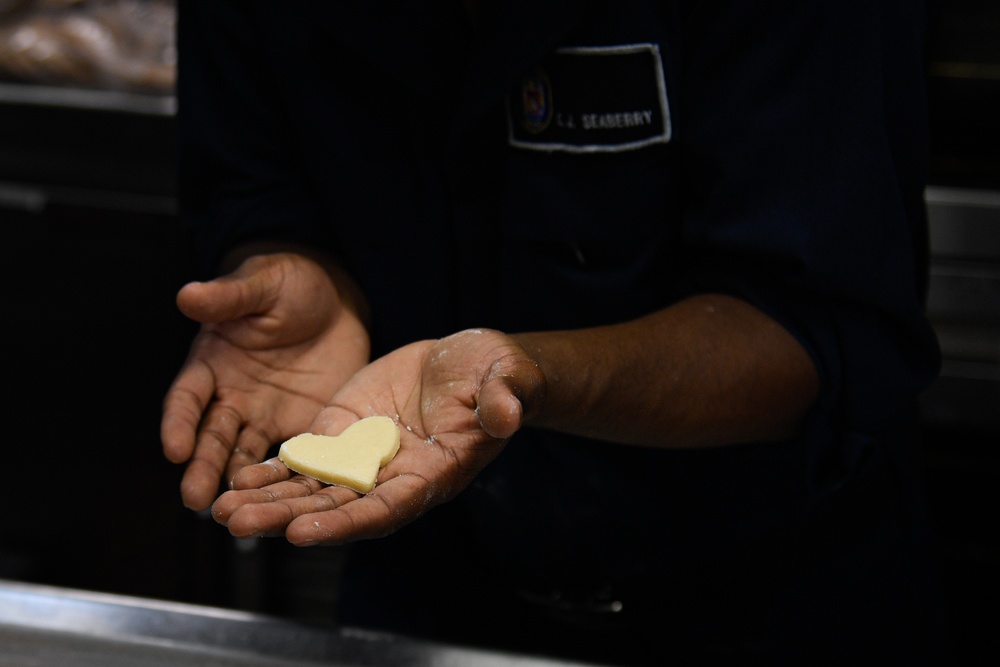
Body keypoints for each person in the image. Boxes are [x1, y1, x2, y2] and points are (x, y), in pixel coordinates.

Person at [162, 1, 950, 664]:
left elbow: (811, 319)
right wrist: (295, 263)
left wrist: (529, 372)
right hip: (429, 594)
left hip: (765, 600)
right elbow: (252, 174)